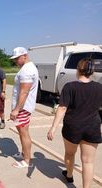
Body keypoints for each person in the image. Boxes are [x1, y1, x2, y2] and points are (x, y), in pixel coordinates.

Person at [47, 58, 102, 187]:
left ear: (78, 70)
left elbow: (62, 108)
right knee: (88, 161)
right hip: (92, 127)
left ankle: (69, 176)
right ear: (92, 72)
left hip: (73, 127)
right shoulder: (99, 87)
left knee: (70, 154)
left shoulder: (69, 87)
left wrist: (53, 128)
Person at [9, 47, 39, 168]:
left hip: (23, 108)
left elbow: (24, 92)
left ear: (25, 56)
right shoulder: (26, 68)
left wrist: (16, 110)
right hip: (22, 107)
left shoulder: (27, 70)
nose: (15, 61)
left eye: (17, 58)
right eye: (15, 59)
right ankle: (24, 154)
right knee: (21, 132)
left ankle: (27, 160)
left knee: (24, 132)